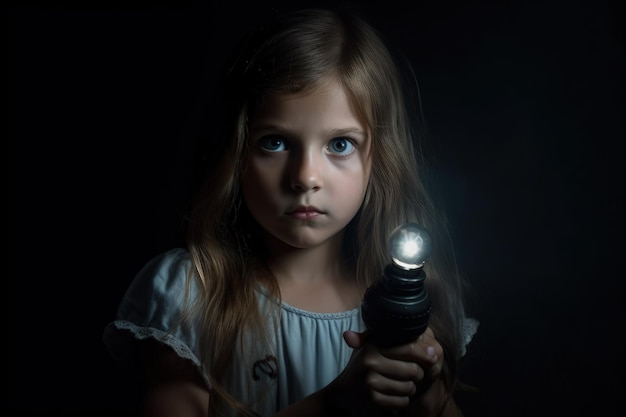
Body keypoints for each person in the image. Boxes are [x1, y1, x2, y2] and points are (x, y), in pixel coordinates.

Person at [103, 6, 478, 417]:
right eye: (275, 142)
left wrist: (427, 400)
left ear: (378, 159)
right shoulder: (189, 297)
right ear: (237, 152)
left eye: (339, 145)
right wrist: (333, 406)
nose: (305, 177)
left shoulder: (418, 304)